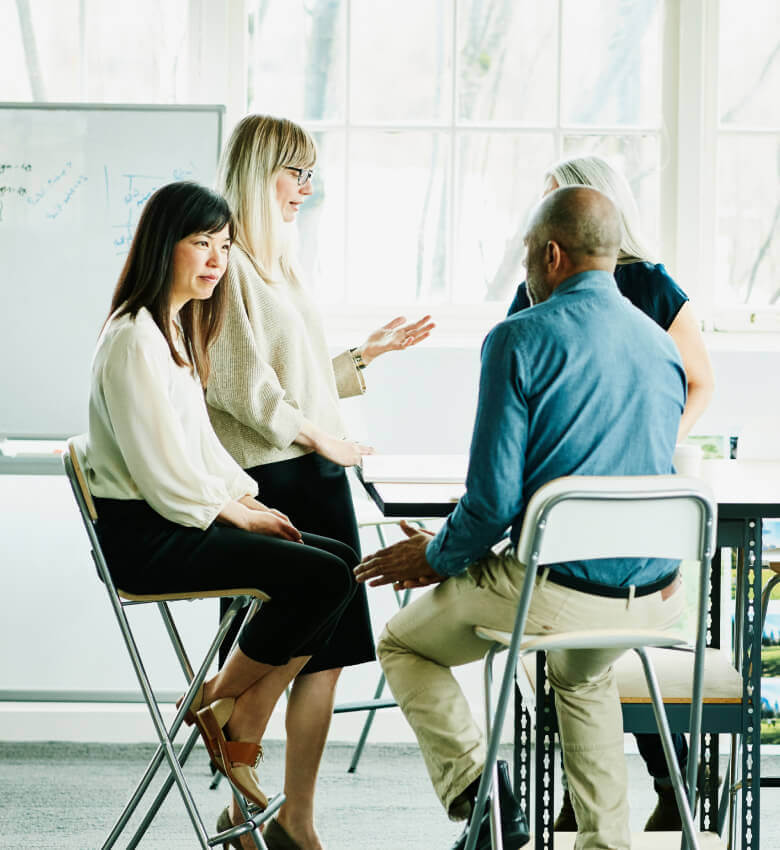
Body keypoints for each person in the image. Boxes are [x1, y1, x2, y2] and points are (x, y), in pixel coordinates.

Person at [355, 186, 687, 850]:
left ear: (552, 255)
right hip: (651, 597)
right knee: (580, 673)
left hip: (558, 594)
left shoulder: (518, 339)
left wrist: (435, 556)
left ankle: (482, 801)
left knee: (402, 642)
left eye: (528, 256)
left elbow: (492, 505)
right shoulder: (660, 345)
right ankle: (605, 843)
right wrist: (459, 544)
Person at [82, 181, 358, 849]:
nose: (215, 260)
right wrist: (237, 516)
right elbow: (160, 473)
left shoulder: (170, 331)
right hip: (150, 538)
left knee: (339, 566)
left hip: (179, 519)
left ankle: (225, 700)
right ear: (162, 246)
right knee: (323, 580)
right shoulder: (132, 339)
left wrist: (247, 500)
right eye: (200, 243)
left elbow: (198, 451)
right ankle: (223, 705)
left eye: (224, 246)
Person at [205, 114, 435, 850]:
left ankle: (291, 817)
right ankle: (245, 798)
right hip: (275, 480)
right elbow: (242, 388)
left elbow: (294, 383)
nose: (306, 187)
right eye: (294, 172)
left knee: (330, 659)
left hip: (314, 470)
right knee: (288, 644)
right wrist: (319, 437)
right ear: (257, 170)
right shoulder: (227, 258)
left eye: (311, 174)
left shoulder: (280, 260)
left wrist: (361, 358)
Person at [508, 154, 715, 831]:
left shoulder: (651, 284)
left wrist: (646, 444)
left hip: (633, 505)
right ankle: (583, 790)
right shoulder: (536, 284)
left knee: (610, 643)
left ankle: (667, 779)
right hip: (567, 504)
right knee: (579, 648)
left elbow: (697, 381)